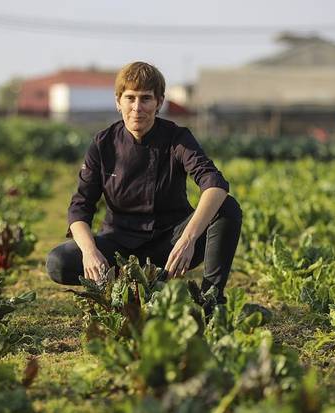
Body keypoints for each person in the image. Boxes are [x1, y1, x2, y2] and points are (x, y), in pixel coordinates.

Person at [46, 61, 242, 304]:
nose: (137, 107)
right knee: (58, 263)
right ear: (118, 102)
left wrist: (188, 240)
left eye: (146, 98)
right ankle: (129, 280)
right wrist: (90, 252)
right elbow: (79, 208)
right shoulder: (103, 143)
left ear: (159, 102)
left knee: (227, 208)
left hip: (169, 243)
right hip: (118, 243)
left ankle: (210, 299)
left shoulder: (177, 138)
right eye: (130, 98)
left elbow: (214, 184)